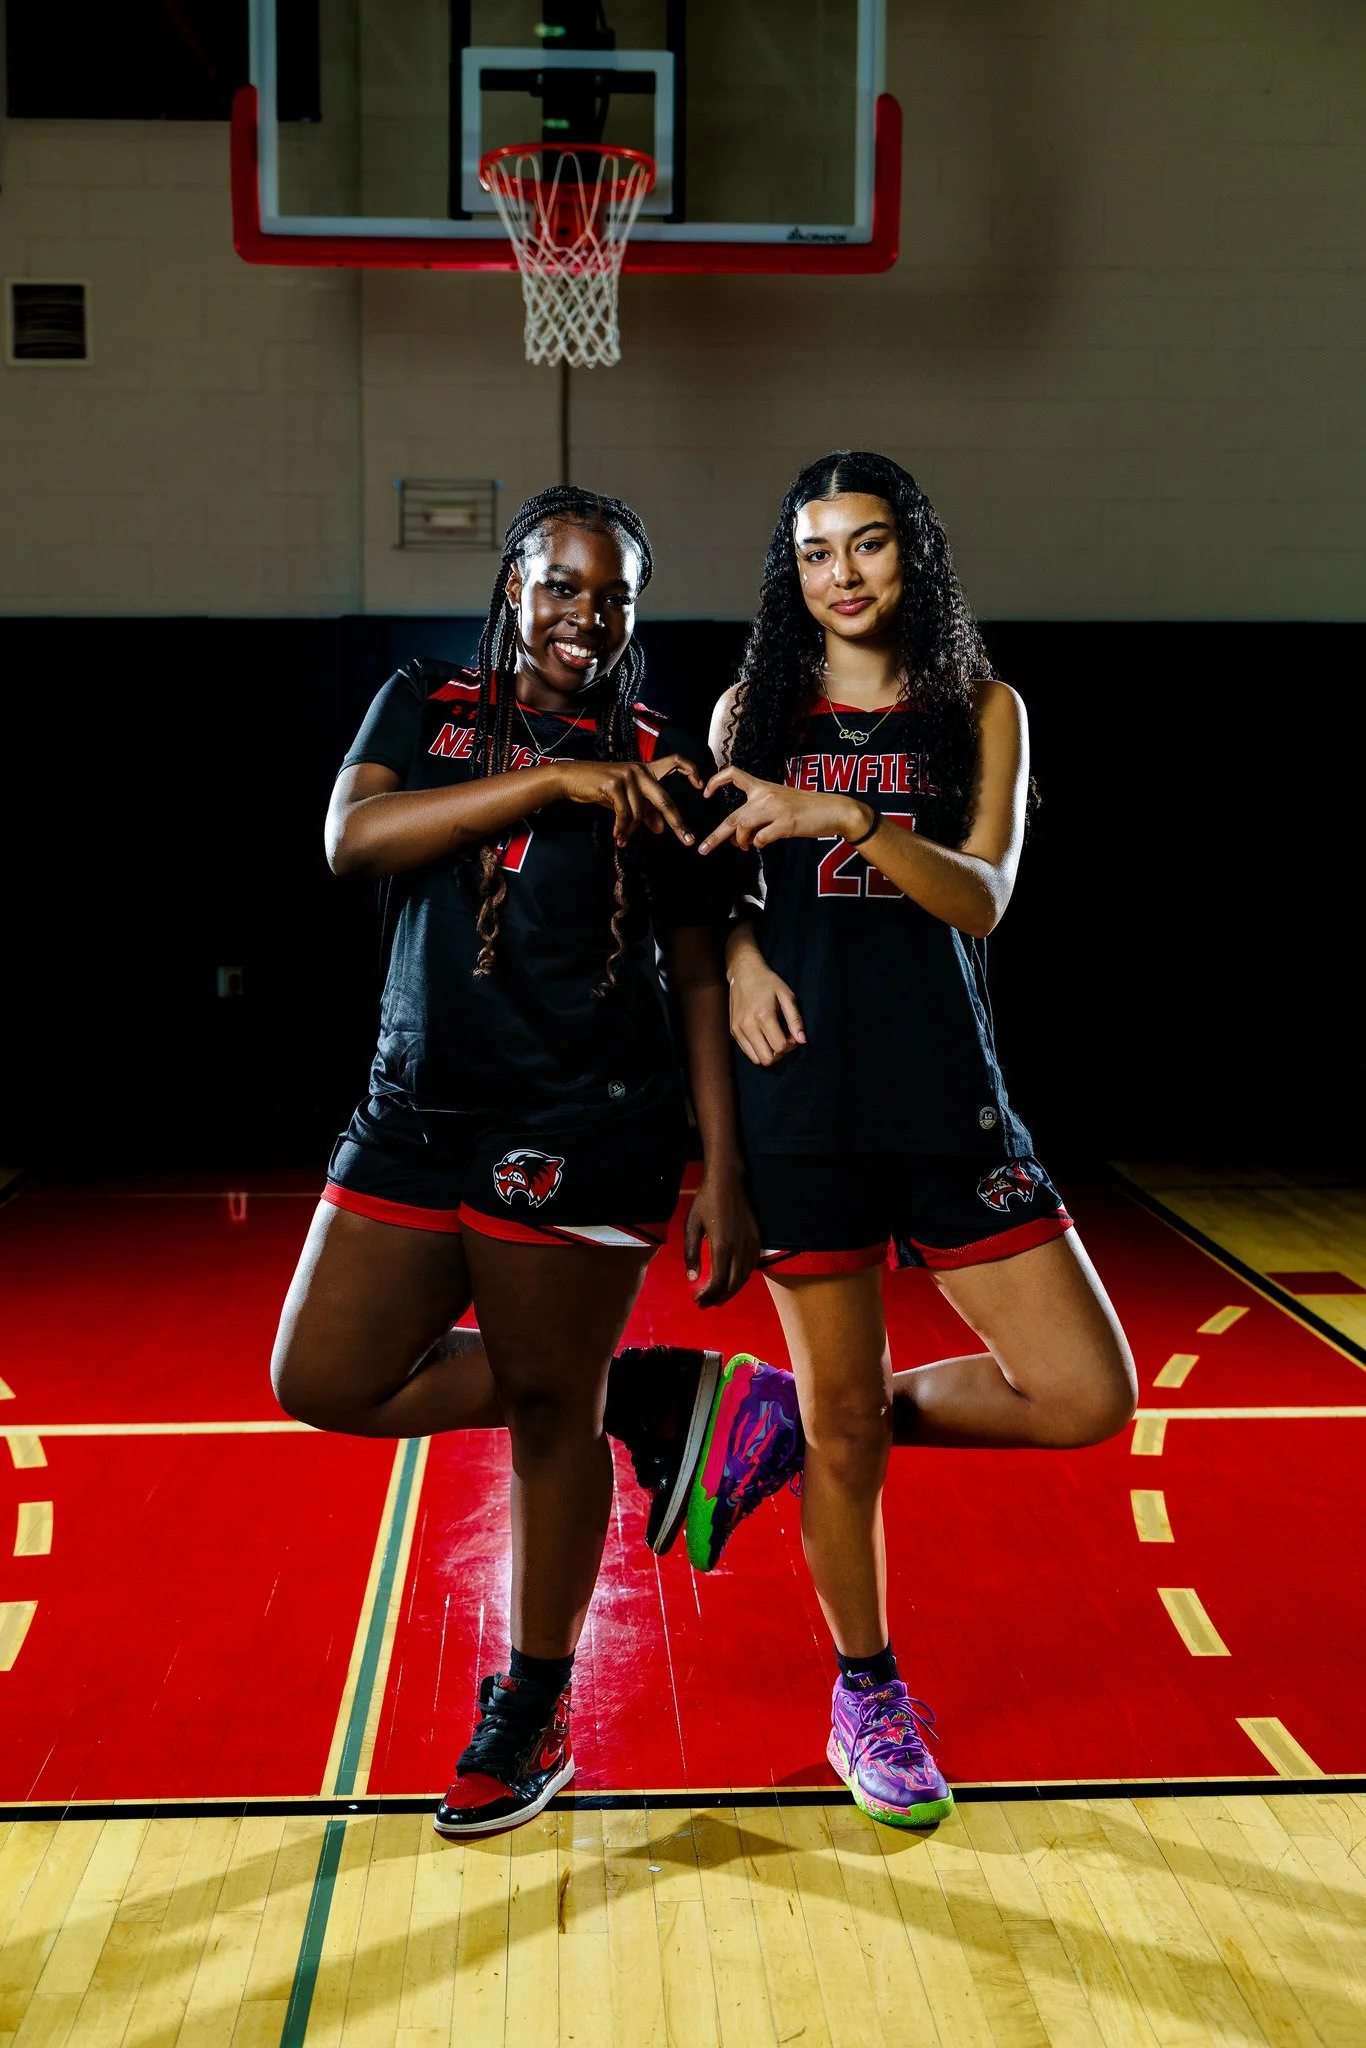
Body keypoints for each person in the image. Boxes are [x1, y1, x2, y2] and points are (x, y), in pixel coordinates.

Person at [271, 485, 756, 1838]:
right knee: (321, 1377)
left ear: (631, 617)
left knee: (552, 1419)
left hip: (587, 1118)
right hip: (413, 1105)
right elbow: (351, 841)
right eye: (559, 585)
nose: (582, 616)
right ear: (512, 586)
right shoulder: (421, 702)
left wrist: (721, 1167)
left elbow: (698, 969)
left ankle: (530, 1708)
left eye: (611, 596)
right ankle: (656, 1397)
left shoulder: (661, 755)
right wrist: (546, 779)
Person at [674, 450, 1137, 1829]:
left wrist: (855, 818)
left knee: (1083, 1393)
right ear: (791, 572)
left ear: (911, 557)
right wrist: (747, 955)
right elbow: (708, 903)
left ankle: (802, 1422)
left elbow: (982, 896)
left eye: (867, 545)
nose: (843, 574)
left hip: (945, 1096)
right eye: (816, 552)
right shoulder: (746, 709)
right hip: (801, 1099)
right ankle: (865, 1687)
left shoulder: (979, 710)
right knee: (842, 1421)